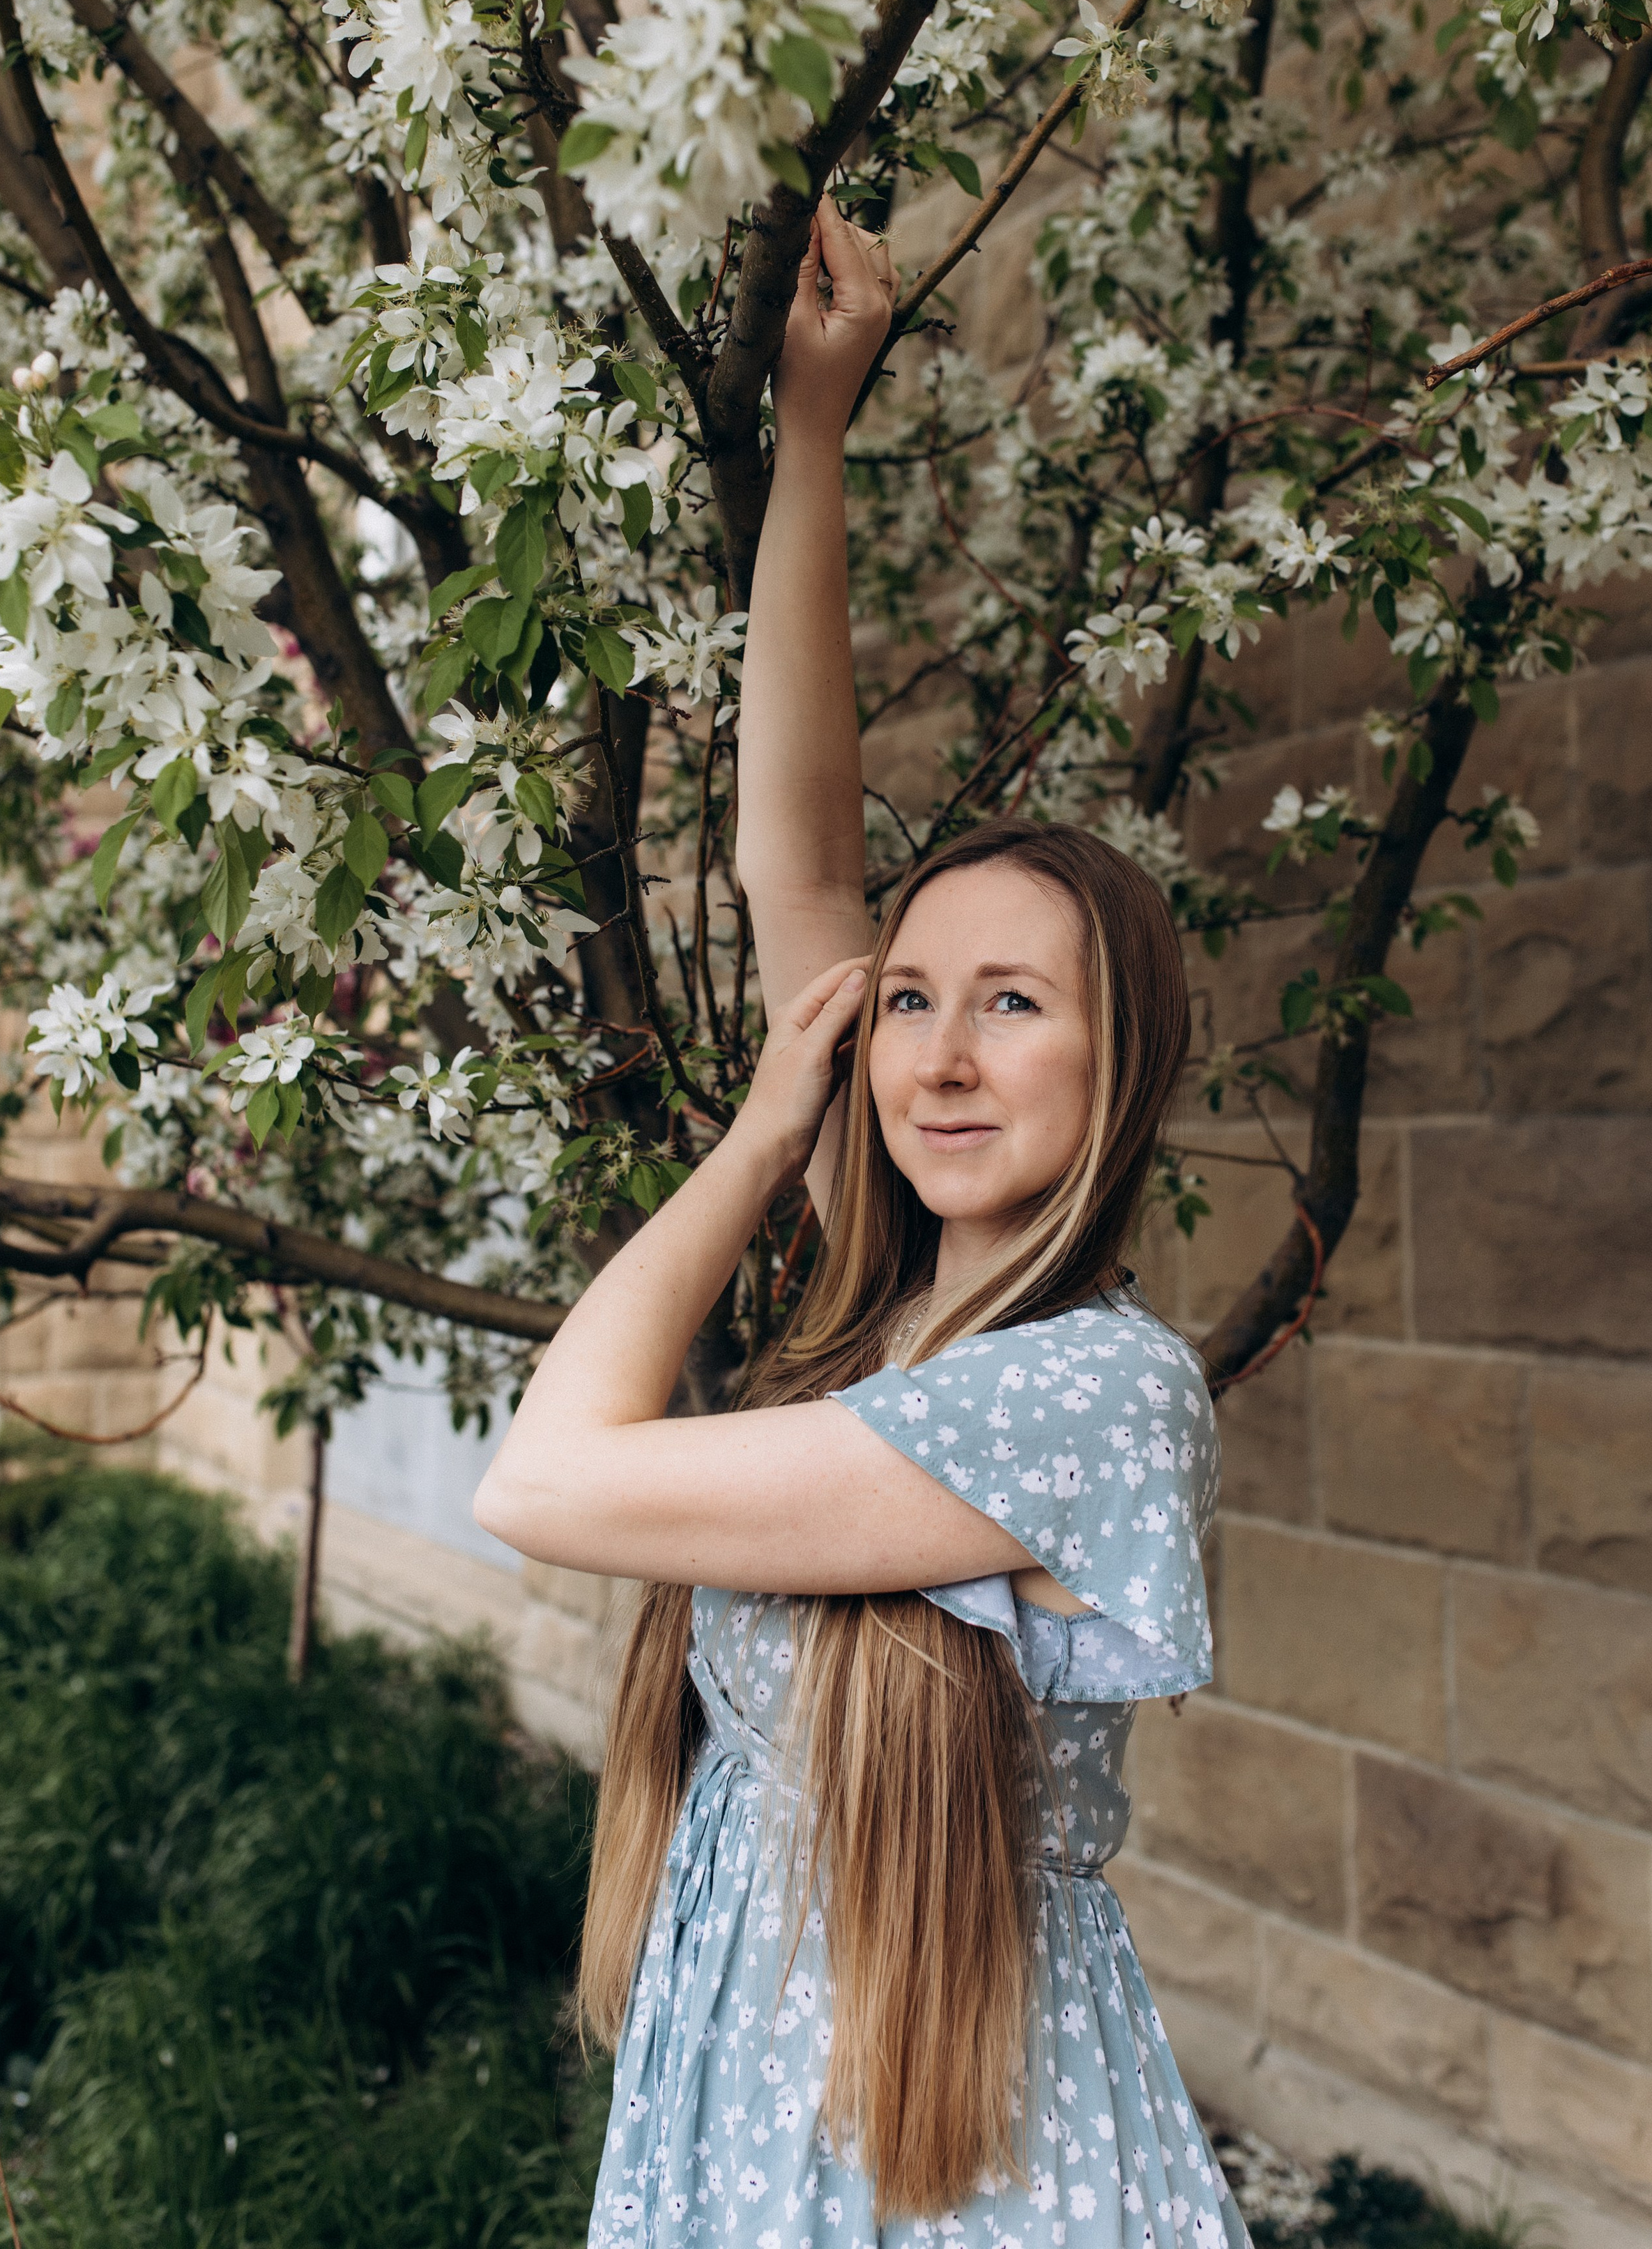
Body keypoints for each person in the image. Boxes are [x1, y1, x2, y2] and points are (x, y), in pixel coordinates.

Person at [475, 197, 1248, 2249]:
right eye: (909, 1003)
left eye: (1016, 1004)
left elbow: (548, 1474)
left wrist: (750, 1145)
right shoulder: (879, 1321)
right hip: (752, 2092)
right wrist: (814, 432)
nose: (939, 1051)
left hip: (951, 2156)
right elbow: (800, 855)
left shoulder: (1087, 1396)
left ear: (1118, 1064)